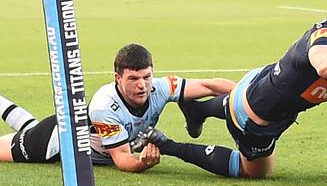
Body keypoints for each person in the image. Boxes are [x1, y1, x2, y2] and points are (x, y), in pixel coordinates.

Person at [143, 0, 327, 179]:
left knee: (253, 99)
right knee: (256, 172)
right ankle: (168, 146)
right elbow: (323, 63)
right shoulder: (326, 33)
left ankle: (197, 108)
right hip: (256, 117)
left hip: (264, 83)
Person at [0, 43, 237, 175]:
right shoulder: (106, 106)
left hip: (83, 141)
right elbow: (122, 159)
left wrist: (246, 97)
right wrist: (143, 163)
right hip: (56, 143)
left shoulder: (161, 87)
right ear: (117, 78)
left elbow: (210, 85)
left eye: (147, 76)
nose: (142, 85)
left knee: (27, 126)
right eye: (133, 78)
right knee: (23, 138)